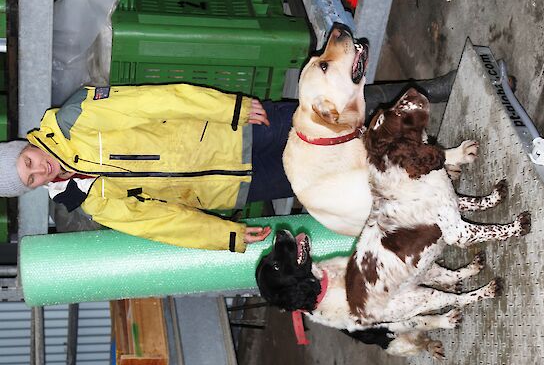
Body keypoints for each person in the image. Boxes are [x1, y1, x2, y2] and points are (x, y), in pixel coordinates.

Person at [0, 76, 457, 251]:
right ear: (31, 189)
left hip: (236, 129)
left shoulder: (76, 116)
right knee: (332, 169)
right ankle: (422, 155)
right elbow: (166, 224)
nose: (41, 170)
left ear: (25, 145)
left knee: (331, 116)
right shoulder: (89, 204)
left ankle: (429, 91)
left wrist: (228, 108)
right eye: (31, 179)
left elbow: (159, 100)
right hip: (240, 186)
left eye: (29, 162)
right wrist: (229, 235)